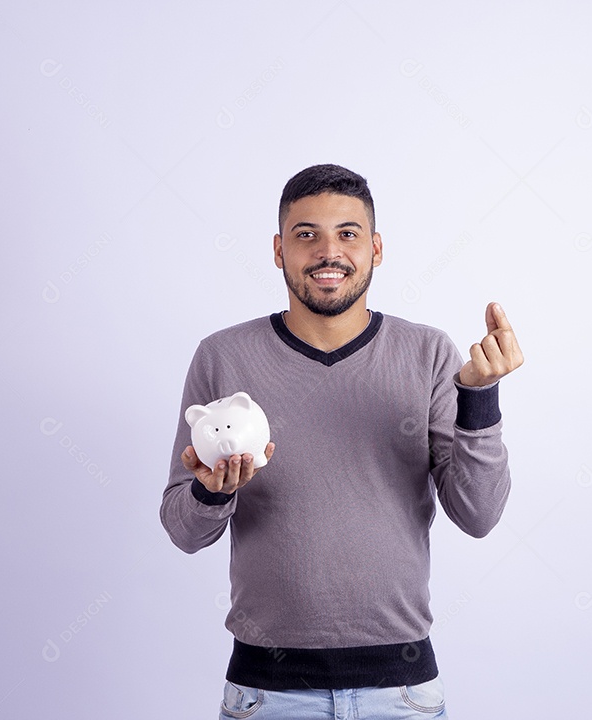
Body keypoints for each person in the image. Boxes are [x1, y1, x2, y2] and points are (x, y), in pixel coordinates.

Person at [160, 164, 523, 719]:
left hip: (400, 694)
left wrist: (479, 398)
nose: (329, 252)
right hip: (268, 694)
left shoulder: (428, 354)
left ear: (376, 248)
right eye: (307, 235)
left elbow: (478, 515)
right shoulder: (223, 357)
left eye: (347, 234)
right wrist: (212, 493)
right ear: (279, 250)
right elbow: (183, 530)